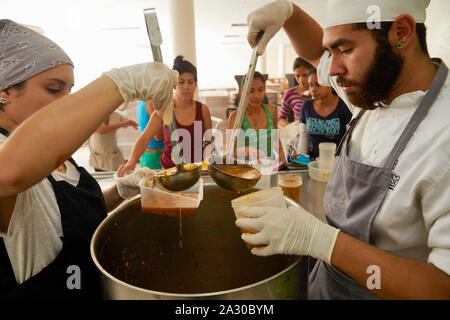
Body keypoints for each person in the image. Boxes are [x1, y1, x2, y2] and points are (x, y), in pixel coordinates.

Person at [236, 0, 450, 299]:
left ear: (401, 32)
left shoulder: (443, 134)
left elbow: (442, 287)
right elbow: (314, 52)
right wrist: (289, 12)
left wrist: (321, 240)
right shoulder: (373, 90)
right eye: (331, 51)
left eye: (345, 49)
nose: (332, 69)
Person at [0, 19, 177, 299]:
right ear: (5, 91)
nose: (67, 102)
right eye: (54, 89)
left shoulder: (58, 154)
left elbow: (67, 217)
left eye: (70, 90)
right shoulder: (10, 153)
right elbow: (8, 175)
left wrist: (120, 190)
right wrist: (122, 83)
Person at [117, 55, 212, 175]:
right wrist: (130, 163)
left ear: (196, 84)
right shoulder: (164, 109)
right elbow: (145, 138)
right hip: (170, 173)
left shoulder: (203, 110)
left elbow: (209, 141)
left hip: (197, 171)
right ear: (173, 84)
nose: (186, 87)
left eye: (190, 82)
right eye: (181, 82)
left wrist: (209, 160)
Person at [228, 71, 286, 164]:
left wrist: (283, 154)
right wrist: (247, 150)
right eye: (251, 91)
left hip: (268, 167)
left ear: (265, 90)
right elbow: (230, 152)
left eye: (260, 90)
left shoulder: (271, 111)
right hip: (246, 170)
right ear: (243, 91)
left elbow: (276, 141)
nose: (256, 95)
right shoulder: (236, 117)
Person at [295, 68, 352, 160]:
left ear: (330, 85)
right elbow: (303, 136)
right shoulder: (307, 106)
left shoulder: (343, 105)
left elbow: (350, 139)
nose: (313, 89)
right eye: (310, 85)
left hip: (338, 161)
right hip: (314, 161)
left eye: (318, 85)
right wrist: (301, 158)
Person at [278, 57, 313, 127]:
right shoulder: (290, 94)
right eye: (297, 76)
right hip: (299, 133)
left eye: (305, 75)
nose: (301, 80)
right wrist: (291, 127)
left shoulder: (320, 91)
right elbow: (280, 118)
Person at [136, 100, 165, 169]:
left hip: (148, 154)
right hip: (156, 154)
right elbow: (158, 136)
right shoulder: (151, 102)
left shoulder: (141, 102)